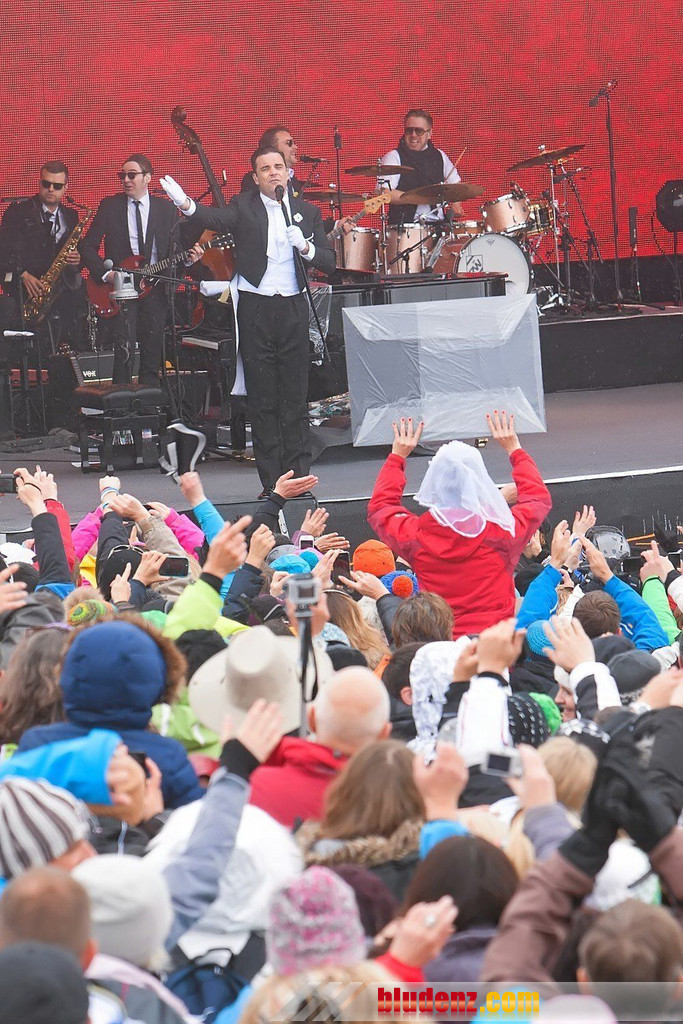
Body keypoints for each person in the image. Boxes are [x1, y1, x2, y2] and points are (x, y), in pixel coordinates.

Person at [160, 147, 336, 495]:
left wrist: (307, 248)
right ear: (255, 178)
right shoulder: (244, 206)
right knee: (263, 398)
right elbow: (214, 219)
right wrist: (186, 204)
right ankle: (272, 483)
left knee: (294, 397)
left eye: (278, 166)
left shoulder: (307, 212)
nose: (273, 172)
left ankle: (298, 479)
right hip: (256, 307)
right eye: (265, 169)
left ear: (288, 173)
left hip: (292, 308)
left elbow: (329, 262)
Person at [368, 411, 551, 637]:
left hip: (442, 642)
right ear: (479, 482)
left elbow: (381, 508)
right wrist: (515, 449)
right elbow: (537, 500)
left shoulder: (415, 537)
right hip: (495, 645)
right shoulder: (503, 533)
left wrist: (397, 457)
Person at [79, 153, 183, 384]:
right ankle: (122, 399)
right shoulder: (110, 206)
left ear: (148, 177)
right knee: (123, 351)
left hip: (155, 288)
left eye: (132, 175)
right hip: (122, 288)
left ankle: (150, 399)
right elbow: (87, 246)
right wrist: (106, 274)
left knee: (152, 352)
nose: (126, 180)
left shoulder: (166, 209)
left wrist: (189, 258)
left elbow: (176, 250)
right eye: (122, 175)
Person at [0, 160, 85, 347]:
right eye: (46, 184)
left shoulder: (72, 216)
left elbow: (79, 251)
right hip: (25, 291)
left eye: (57, 186)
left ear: (66, 187)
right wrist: (23, 274)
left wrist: (78, 259)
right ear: (39, 183)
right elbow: (3, 249)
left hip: (61, 294)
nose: (51, 189)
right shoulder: (18, 211)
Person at [379, 108, 465, 225]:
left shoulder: (439, 156)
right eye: (409, 130)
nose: (413, 135)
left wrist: (456, 203)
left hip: (439, 226)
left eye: (419, 131)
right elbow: (384, 192)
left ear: (429, 134)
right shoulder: (394, 157)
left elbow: (456, 185)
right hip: (405, 227)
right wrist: (417, 198)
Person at [239, 125, 305, 195]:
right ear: (273, 148)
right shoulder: (252, 181)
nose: (295, 147)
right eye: (289, 143)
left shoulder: (293, 181)